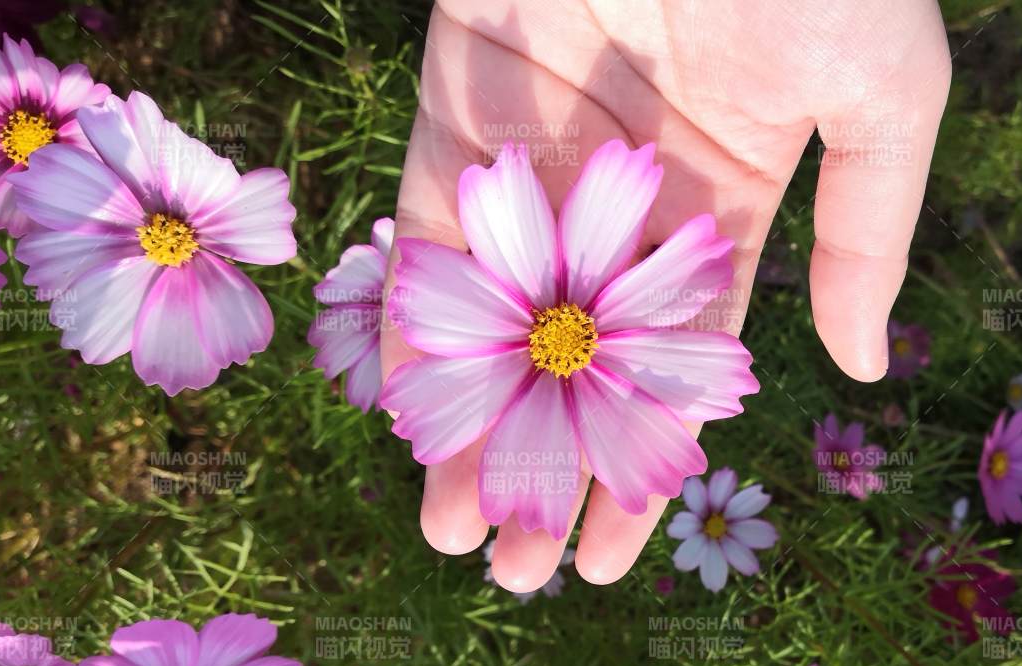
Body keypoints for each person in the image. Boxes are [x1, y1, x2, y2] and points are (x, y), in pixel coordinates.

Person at [380, 0, 951, 591]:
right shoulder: (556, 335)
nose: (560, 341)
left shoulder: (569, 338)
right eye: (562, 343)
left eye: (564, 342)